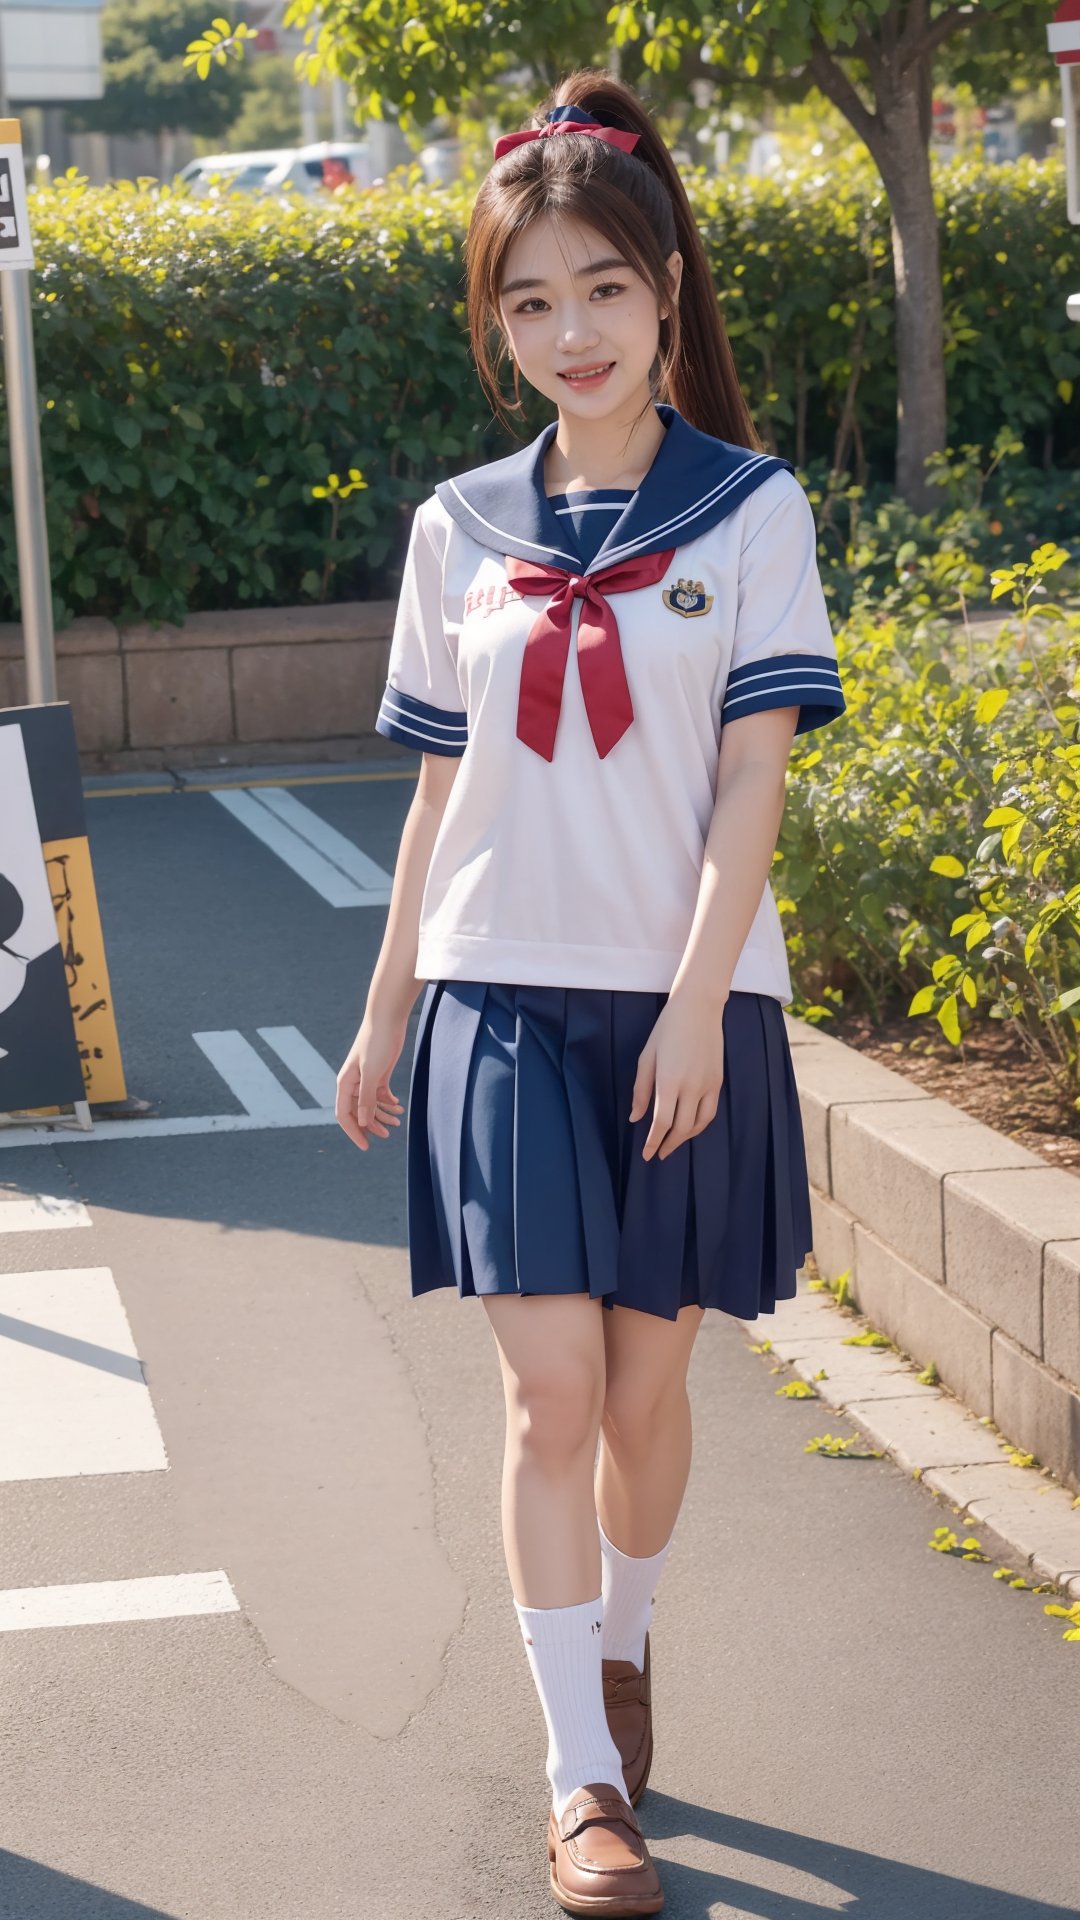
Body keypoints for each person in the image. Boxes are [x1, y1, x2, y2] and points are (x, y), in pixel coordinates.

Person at [335, 68, 846, 1919]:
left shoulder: (747, 512)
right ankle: (580, 1779)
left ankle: (624, 1641)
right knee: (549, 1398)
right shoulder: (456, 530)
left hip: (684, 1002)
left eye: (603, 293)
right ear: (499, 321)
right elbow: (435, 793)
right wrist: (387, 1005)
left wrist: (703, 1002)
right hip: (498, 1001)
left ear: (669, 296)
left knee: (641, 1399)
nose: (570, 332)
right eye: (529, 301)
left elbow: (752, 779)